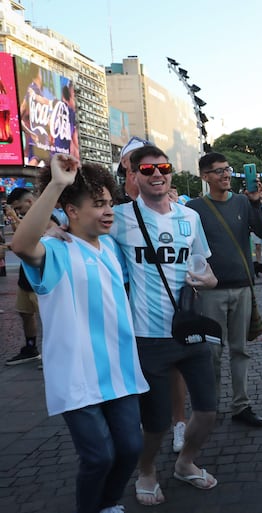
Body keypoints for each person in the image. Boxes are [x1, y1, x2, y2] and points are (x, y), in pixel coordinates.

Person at [10, 154, 149, 513]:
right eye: (97, 204)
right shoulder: (56, 250)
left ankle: (108, 503)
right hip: (76, 374)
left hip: (119, 369)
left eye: (109, 203)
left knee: (132, 446)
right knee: (99, 455)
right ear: (71, 210)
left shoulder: (113, 249)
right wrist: (56, 184)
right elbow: (22, 246)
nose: (107, 211)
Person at [111, 145, 219, 505]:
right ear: (134, 176)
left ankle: (185, 463)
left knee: (207, 411)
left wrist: (209, 281)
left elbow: (205, 268)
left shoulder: (190, 217)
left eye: (163, 167)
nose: (157, 174)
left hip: (189, 329)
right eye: (147, 170)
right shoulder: (119, 217)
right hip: (147, 338)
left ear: (171, 173)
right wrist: (59, 232)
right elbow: (78, 230)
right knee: (155, 424)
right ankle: (146, 471)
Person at [187, 153, 262, 427]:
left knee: (240, 350)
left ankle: (241, 404)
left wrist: (256, 203)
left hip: (243, 287)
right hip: (210, 292)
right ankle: (208, 407)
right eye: (218, 171)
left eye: (227, 170)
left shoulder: (243, 202)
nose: (225, 174)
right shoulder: (193, 208)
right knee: (211, 352)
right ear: (205, 176)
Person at [4, 188, 44, 365]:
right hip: (25, 275)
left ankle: (55, 354)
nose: (18, 212)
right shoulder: (26, 217)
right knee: (25, 312)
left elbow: (31, 239)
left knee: (48, 317)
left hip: (41, 276)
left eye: (19, 208)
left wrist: (14, 217)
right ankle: (30, 348)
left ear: (29, 202)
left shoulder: (44, 216)